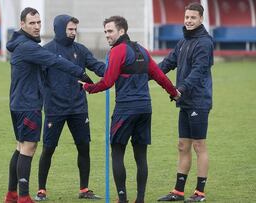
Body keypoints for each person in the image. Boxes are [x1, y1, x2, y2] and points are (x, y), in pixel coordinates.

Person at [80, 16, 181, 203]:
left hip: (125, 110)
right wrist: (174, 93)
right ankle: (140, 200)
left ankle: (122, 199)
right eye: (105, 32)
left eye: (110, 31)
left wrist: (88, 88)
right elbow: (159, 75)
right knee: (141, 156)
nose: (107, 35)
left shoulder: (117, 51)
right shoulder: (142, 50)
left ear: (122, 31)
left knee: (117, 151)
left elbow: (108, 81)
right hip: (145, 109)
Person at [4, 7, 94, 203]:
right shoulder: (29, 47)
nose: (36, 27)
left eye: (38, 23)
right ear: (22, 24)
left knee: (20, 147)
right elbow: (55, 61)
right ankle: (24, 197)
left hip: (19, 102)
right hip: (28, 104)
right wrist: (81, 73)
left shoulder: (21, 44)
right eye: (32, 23)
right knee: (28, 148)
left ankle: (11, 195)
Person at [34, 14, 105, 201]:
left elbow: (97, 67)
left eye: (75, 29)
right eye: (70, 29)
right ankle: (41, 190)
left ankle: (84, 189)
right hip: (54, 109)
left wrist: (116, 70)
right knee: (48, 149)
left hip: (78, 108)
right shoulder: (46, 51)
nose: (73, 33)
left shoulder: (80, 50)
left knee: (84, 148)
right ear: (59, 29)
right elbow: (38, 80)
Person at [157, 2, 213, 203]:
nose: (188, 21)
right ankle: (178, 191)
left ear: (201, 19)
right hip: (185, 101)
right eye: (187, 17)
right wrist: (144, 74)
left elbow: (198, 72)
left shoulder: (205, 43)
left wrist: (180, 89)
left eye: (193, 18)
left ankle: (200, 192)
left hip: (198, 101)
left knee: (199, 146)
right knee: (182, 145)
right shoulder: (182, 42)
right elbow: (168, 63)